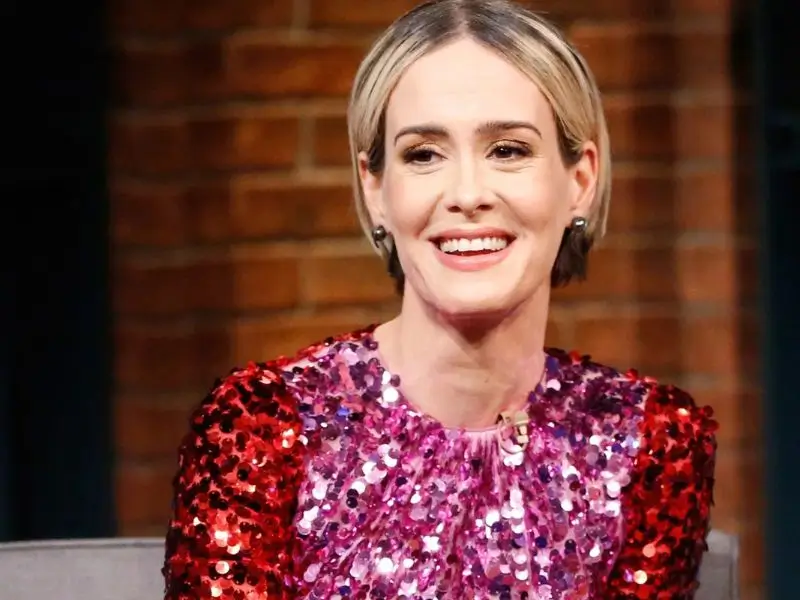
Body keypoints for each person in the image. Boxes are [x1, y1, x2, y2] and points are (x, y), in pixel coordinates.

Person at [162, 0, 718, 598]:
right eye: (423, 154)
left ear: (580, 180)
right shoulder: (261, 426)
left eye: (508, 150)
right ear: (376, 189)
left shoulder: (651, 441)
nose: (467, 193)